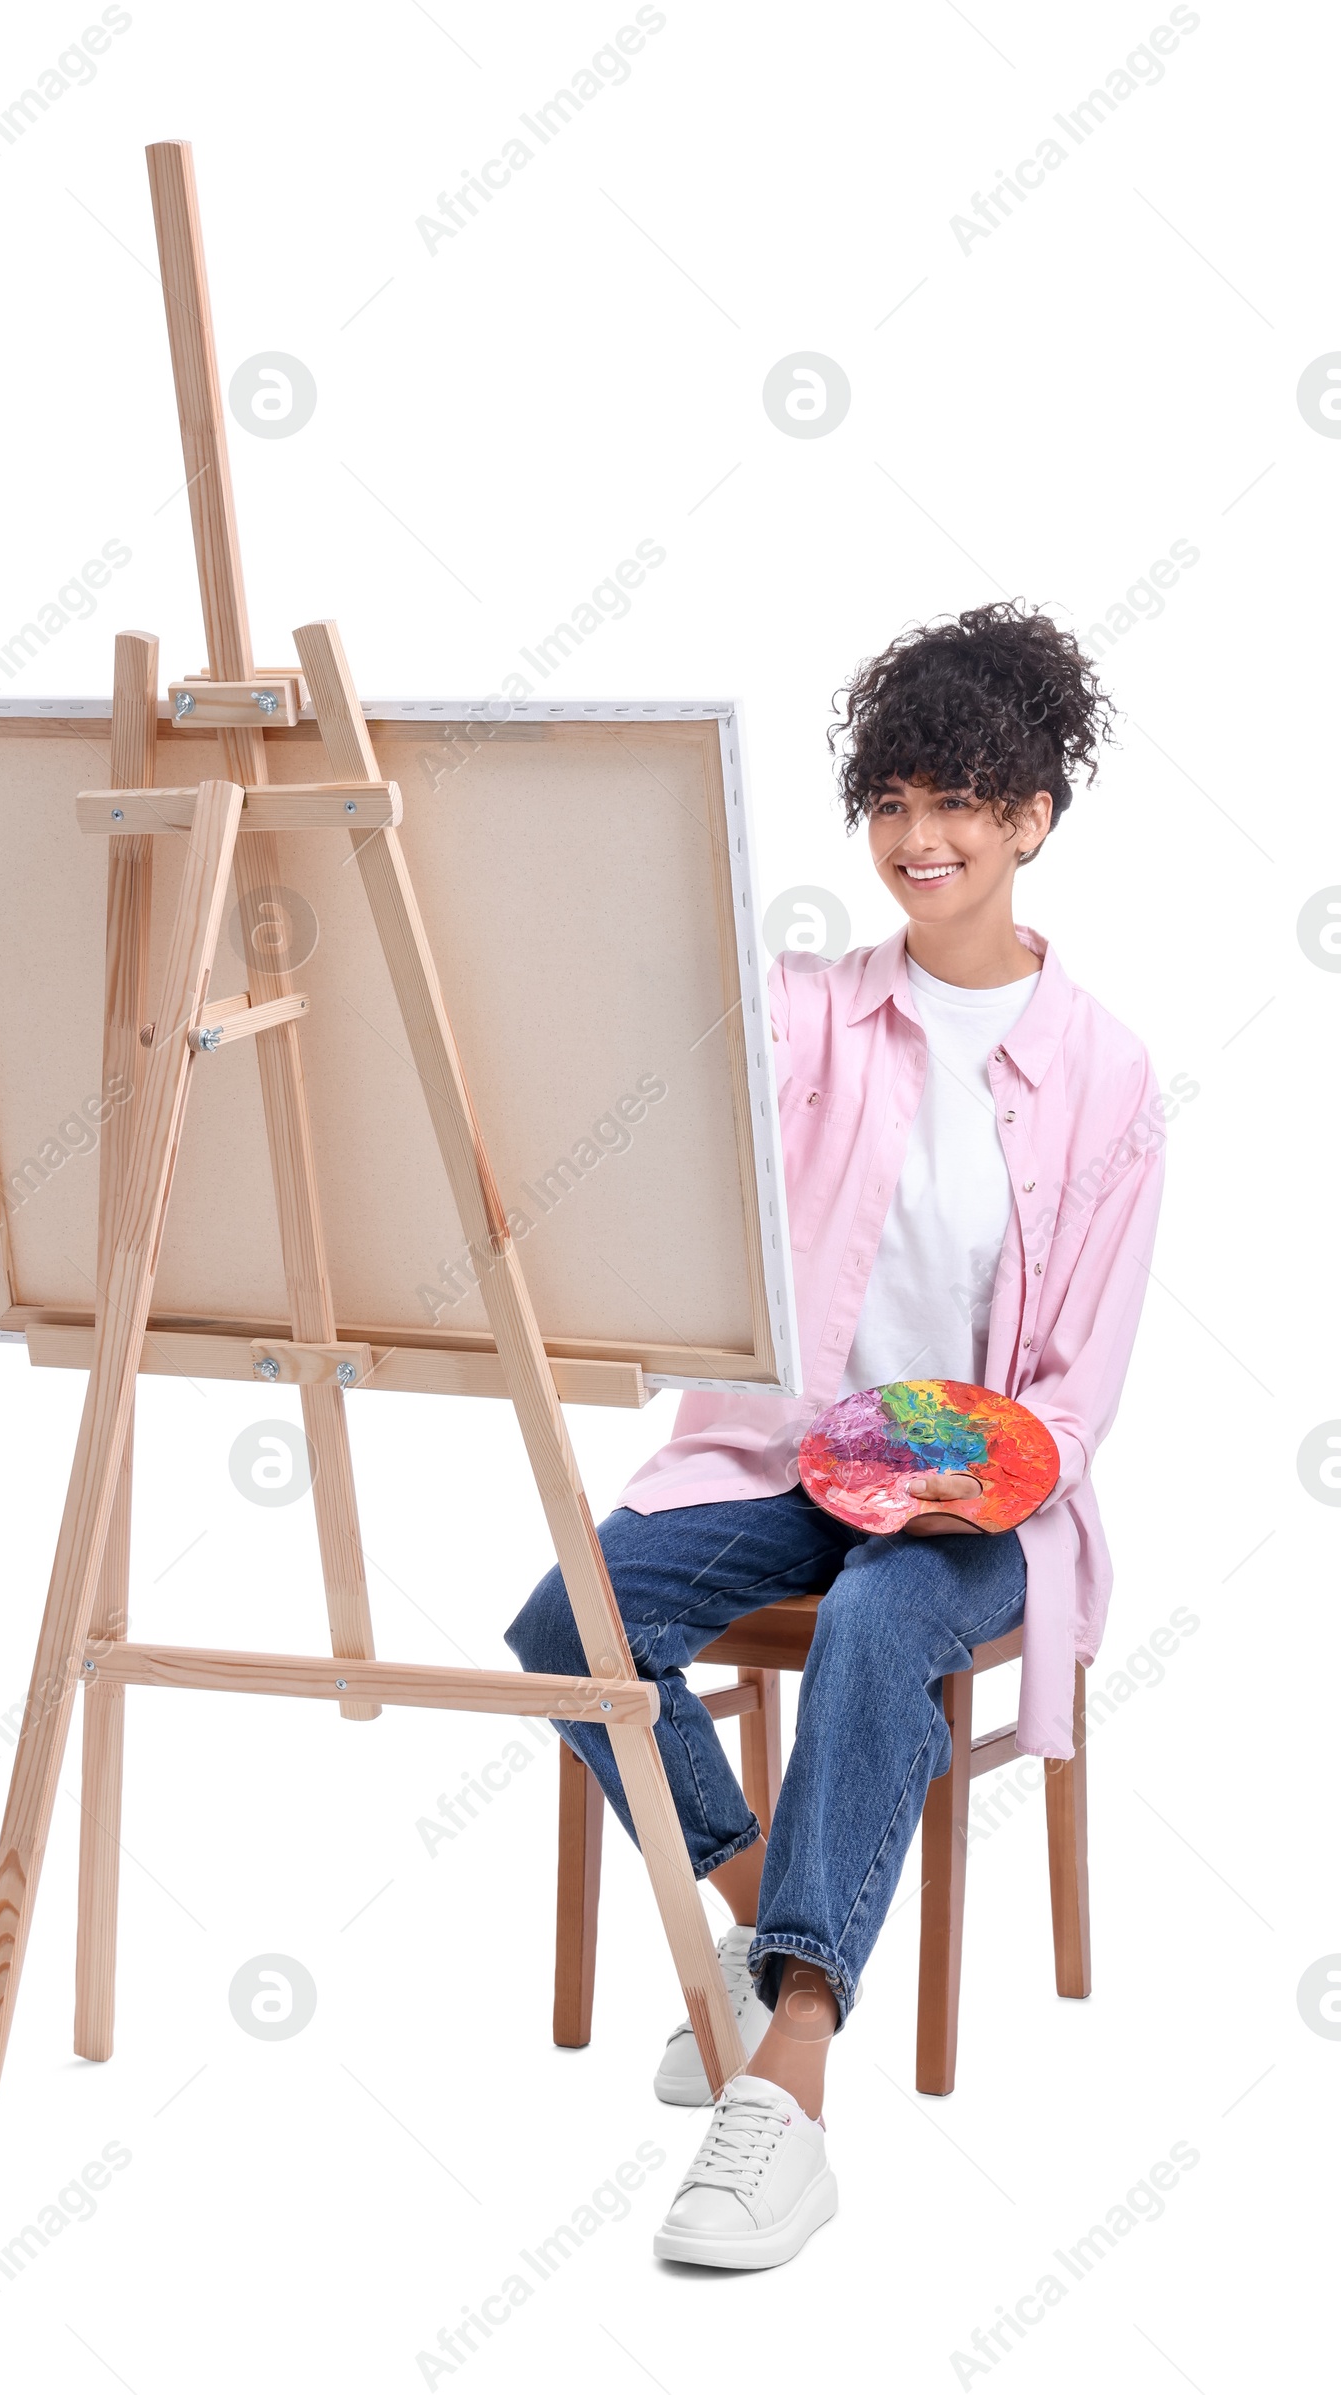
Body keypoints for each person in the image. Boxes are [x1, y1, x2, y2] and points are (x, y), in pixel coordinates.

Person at [506, 602, 1170, 2271]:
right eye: (890, 803)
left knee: (883, 1622)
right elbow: (666, 1020)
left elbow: (1079, 1385)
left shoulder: (1104, 1074)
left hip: (979, 1497)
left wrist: (987, 1488)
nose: (918, 839)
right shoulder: (810, 1013)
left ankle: (789, 2078)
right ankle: (756, 1925)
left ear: (1032, 819)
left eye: (958, 802)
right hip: (783, 1456)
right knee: (567, 1622)